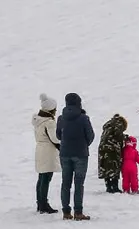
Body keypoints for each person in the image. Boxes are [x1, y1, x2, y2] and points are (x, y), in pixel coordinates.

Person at [56, 93, 95, 221]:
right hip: (81, 154)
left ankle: (66, 212)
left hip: (65, 153)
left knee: (65, 183)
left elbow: (58, 135)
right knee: (79, 184)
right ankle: (78, 212)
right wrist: (84, 145)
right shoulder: (84, 118)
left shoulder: (61, 118)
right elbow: (90, 135)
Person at [33, 94, 61, 214]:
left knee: (41, 177)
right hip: (48, 151)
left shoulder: (37, 119)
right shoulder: (49, 122)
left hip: (40, 149)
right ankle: (44, 204)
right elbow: (55, 139)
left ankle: (40, 203)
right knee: (46, 178)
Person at [97, 114, 127, 194]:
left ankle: (108, 186)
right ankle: (115, 187)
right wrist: (125, 137)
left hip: (102, 149)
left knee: (105, 167)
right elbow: (118, 135)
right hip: (112, 149)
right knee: (114, 167)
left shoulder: (109, 125)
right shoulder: (119, 123)